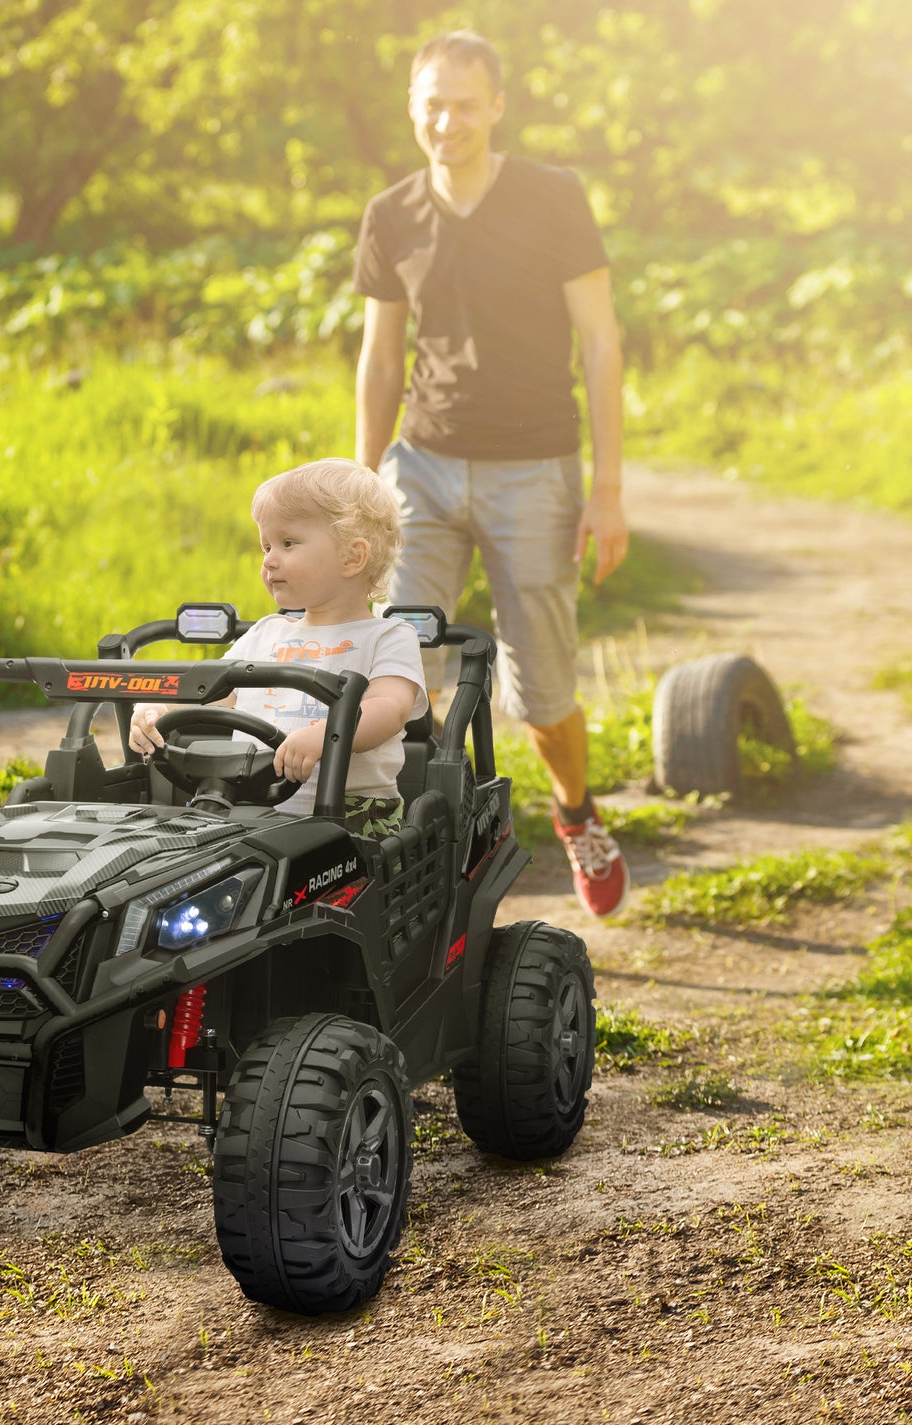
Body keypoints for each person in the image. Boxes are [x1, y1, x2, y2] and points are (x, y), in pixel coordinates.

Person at [353, 28, 631, 917]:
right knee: (398, 664)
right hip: (422, 470)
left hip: (534, 471)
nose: (448, 121)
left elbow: (600, 339)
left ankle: (576, 812)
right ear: (411, 108)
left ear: (496, 106)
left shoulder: (552, 198)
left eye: (465, 104)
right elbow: (379, 359)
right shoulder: (390, 214)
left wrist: (608, 487)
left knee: (540, 692)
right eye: (432, 104)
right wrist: (362, 484)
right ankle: (404, 854)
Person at [128, 458, 428, 839]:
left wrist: (326, 735)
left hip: (353, 815)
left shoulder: (387, 636)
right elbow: (210, 693)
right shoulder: (266, 634)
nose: (269, 559)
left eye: (288, 543)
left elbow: (390, 708)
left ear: (353, 557)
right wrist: (161, 708)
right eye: (266, 546)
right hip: (248, 803)